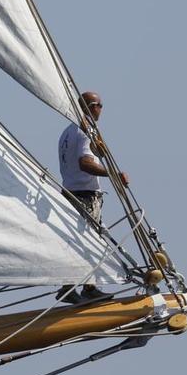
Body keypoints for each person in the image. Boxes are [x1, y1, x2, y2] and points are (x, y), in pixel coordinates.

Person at [56, 91, 128, 304]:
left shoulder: (68, 132)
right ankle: (80, 288)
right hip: (84, 197)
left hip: (69, 192)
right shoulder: (84, 132)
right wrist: (112, 174)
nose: (101, 109)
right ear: (88, 107)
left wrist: (99, 150)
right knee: (87, 241)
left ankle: (78, 287)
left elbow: (86, 155)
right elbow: (84, 163)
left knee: (78, 241)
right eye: (98, 105)